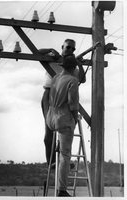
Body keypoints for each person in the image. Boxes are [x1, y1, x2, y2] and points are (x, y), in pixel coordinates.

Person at [39, 39, 86, 166]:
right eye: (68, 47)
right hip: (50, 95)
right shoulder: (53, 58)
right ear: (62, 47)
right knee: (49, 128)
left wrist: (80, 65)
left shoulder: (71, 66)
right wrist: (49, 50)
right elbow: (37, 53)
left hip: (65, 98)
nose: (70, 50)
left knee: (64, 128)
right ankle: (51, 162)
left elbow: (82, 79)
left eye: (73, 49)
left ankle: (61, 159)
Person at [46, 54, 79, 196]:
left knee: (62, 152)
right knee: (65, 156)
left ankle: (59, 144)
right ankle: (62, 190)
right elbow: (73, 104)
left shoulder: (55, 78)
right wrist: (75, 118)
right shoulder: (73, 80)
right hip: (63, 119)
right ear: (74, 67)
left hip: (51, 118)